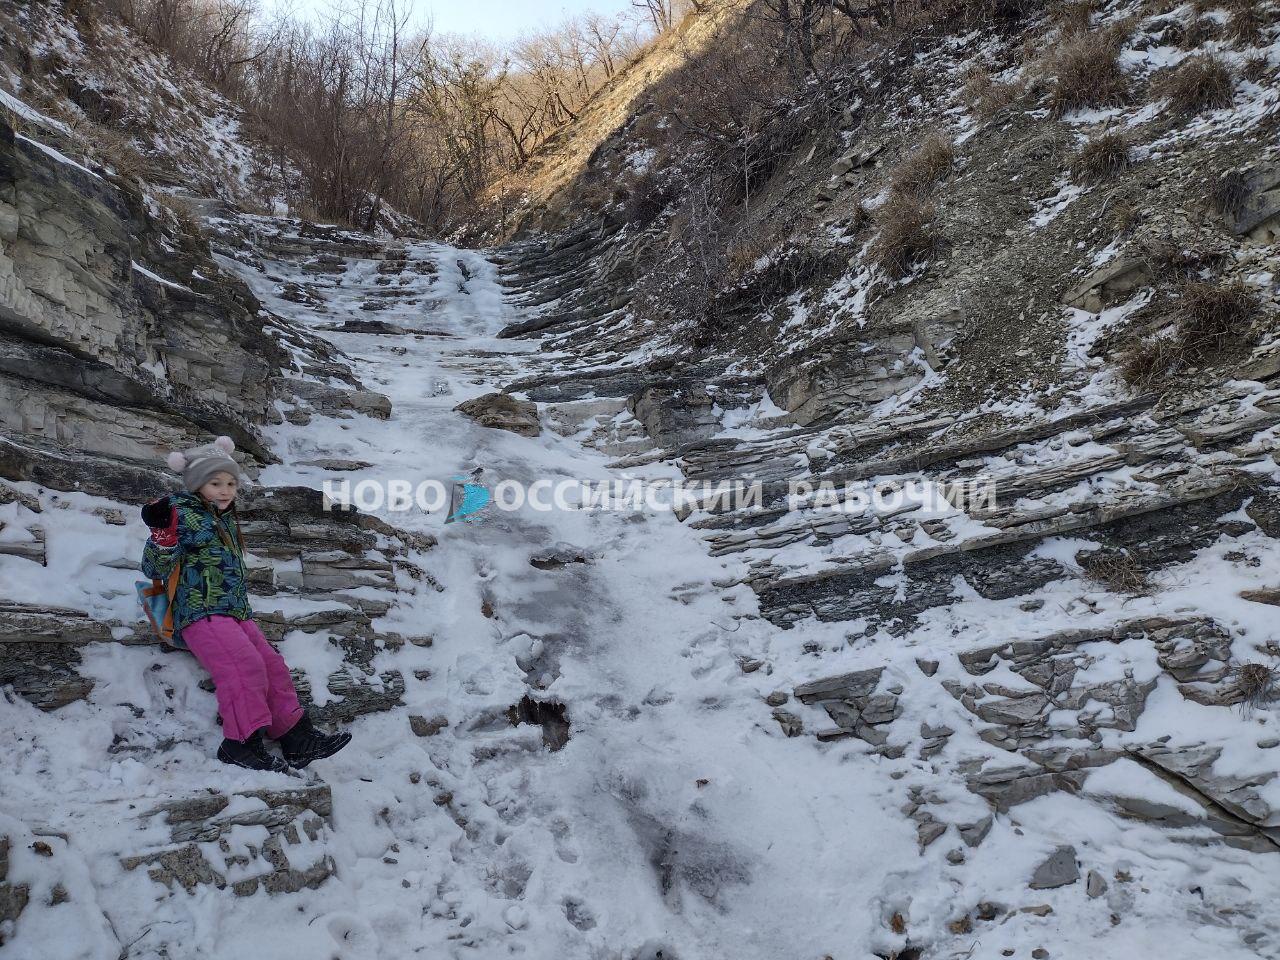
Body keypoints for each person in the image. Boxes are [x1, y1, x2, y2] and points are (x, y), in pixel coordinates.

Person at [141, 435, 351, 772]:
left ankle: (296, 739)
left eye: (230, 483)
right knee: (244, 668)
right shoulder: (180, 513)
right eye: (215, 482)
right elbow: (153, 568)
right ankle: (240, 744)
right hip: (200, 612)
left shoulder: (221, 517)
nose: (225, 490)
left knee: (272, 666)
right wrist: (161, 536)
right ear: (196, 484)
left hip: (233, 612)